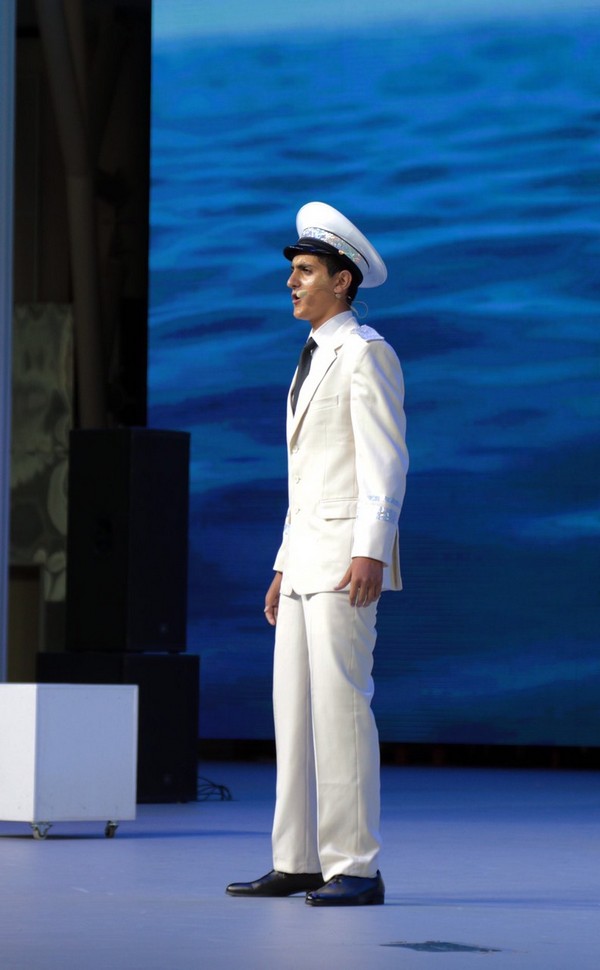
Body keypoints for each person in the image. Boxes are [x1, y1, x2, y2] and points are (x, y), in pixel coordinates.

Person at [226, 201, 408, 907]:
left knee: (341, 708)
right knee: (296, 713)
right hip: (306, 558)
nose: (292, 283)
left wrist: (371, 550)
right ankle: (299, 858)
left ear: (343, 281)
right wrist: (281, 563)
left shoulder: (365, 352)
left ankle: (356, 864)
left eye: (305, 271)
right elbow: (308, 478)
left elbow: (385, 462)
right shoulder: (311, 358)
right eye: (294, 271)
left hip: (342, 560)